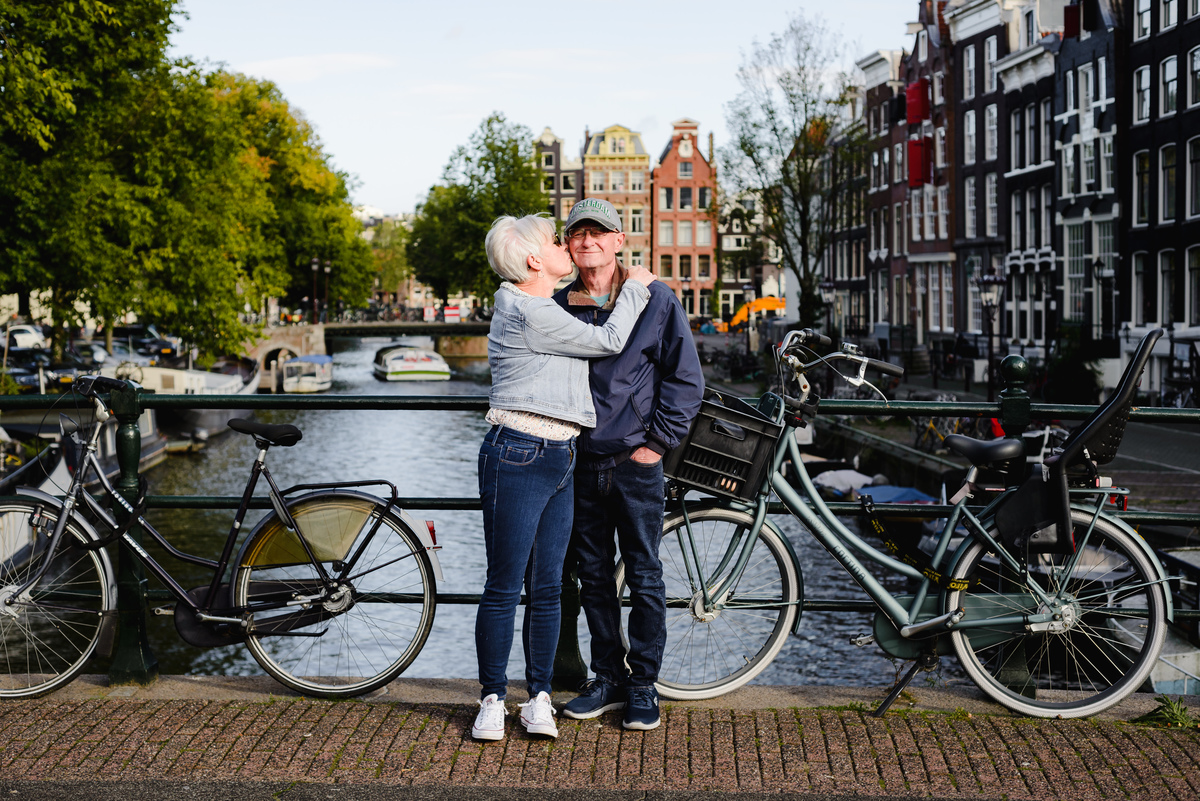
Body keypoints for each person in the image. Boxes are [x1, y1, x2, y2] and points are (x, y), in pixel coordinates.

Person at [473, 214, 658, 742]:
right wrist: (637, 288)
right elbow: (611, 340)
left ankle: (537, 698)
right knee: (504, 586)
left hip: (561, 453)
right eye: (556, 242)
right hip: (520, 453)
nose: (565, 247)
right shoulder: (530, 311)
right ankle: (490, 698)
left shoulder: (540, 305)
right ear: (535, 260)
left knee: (550, 588)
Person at [553, 198, 704, 731]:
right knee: (592, 575)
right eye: (578, 234)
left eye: (599, 233)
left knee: (644, 573)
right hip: (578, 460)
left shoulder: (655, 300)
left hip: (635, 459)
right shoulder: (557, 305)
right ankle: (607, 677)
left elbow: (686, 379)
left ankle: (643, 683)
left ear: (620, 240)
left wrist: (657, 444)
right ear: (568, 245)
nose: (587, 241)